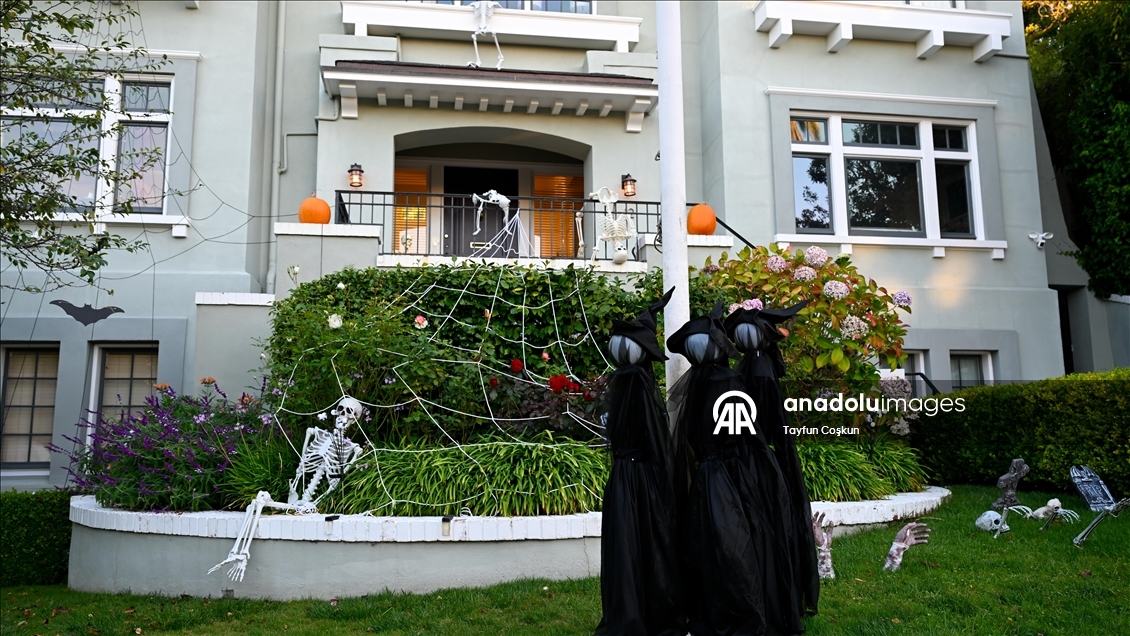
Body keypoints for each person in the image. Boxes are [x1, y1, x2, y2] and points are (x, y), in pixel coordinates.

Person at [667, 301, 800, 636]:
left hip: (708, 478)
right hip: (735, 474)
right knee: (739, 546)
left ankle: (713, 609)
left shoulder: (694, 382)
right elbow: (744, 430)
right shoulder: (728, 382)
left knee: (712, 546)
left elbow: (695, 435)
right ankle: (745, 610)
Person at [595, 288, 686, 636]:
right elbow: (654, 438)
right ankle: (647, 615)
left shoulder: (618, 382)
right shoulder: (639, 385)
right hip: (643, 479)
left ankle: (628, 612)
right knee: (649, 544)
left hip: (621, 477)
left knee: (626, 546)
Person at [726, 302, 818, 628]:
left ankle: (767, 601)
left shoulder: (759, 370)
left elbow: (760, 421)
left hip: (754, 459)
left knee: (761, 528)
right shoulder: (755, 364)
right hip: (754, 456)